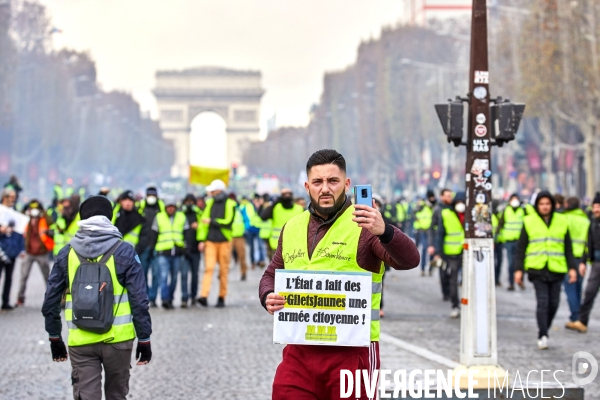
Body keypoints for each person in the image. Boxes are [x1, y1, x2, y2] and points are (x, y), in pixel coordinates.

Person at [259, 149, 420, 400]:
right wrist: (267, 295)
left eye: (332, 181)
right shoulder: (291, 227)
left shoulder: (366, 226)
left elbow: (409, 260)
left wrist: (385, 230)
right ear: (307, 186)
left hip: (352, 352)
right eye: (318, 182)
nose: (325, 188)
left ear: (346, 184)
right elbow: (271, 273)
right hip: (298, 352)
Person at [41, 195, 152, 399]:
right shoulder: (124, 251)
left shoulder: (67, 253)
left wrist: (54, 337)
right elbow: (139, 299)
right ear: (110, 217)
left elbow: (50, 301)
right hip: (118, 341)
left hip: (81, 341)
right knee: (116, 395)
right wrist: (144, 337)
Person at [514, 190, 577, 349]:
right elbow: (521, 247)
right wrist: (518, 269)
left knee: (554, 303)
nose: (545, 207)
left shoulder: (562, 221)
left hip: (556, 268)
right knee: (543, 302)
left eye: (547, 204)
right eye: (541, 204)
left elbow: (568, 247)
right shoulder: (529, 221)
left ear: (552, 205)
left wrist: (572, 268)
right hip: (537, 268)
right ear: (537, 205)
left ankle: (545, 328)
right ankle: (542, 334)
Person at [197, 180, 236, 307]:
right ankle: (204, 295)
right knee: (209, 268)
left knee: (223, 271)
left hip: (224, 241)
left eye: (213, 191)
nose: (211, 193)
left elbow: (228, 221)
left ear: (219, 190)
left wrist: (212, 221)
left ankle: (222, 296)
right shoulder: (210, 203)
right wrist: (202, 240)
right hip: (210, 241)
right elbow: (203, 223)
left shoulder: (230, 204)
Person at [568, 193, 600, 333]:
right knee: (589, 292)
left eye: (598, 206)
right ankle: (582, 321)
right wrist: (583, 262)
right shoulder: (592, 221)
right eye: (594, 206)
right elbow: (589, 244)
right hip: (596, 264)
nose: (596, 209)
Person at [148, 198, 187, 309]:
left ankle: (170, 298)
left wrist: (185, 249)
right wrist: (151, 249)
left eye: (172, 207)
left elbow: (186, 233)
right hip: (163, 252)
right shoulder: (159, 217)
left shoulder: (181, 217)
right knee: (163, 276)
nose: (170, 209)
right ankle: (165, 298)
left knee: (174, 278)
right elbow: (153, 234)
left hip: (177, 252)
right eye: (168, 207)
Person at [433, 192, 466, 318]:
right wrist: (438, 252)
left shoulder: (471, 215)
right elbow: (440, 234)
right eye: (458, 203)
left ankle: (468, 304)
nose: (460, 205)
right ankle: (455, 305)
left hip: (467, 252)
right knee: (453, 280)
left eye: (462, 202)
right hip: (451, 253)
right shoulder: (446, 214)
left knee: (468, 280)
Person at [17, 200, 54, 307]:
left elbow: (52, 224)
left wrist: (44, 211)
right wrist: (25, 208)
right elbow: (19, 218)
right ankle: (20, 297)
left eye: (36, 208)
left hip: (42, 252)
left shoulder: (44, 219)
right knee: (23, 276)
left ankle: (51, 297)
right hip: (29, 252)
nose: (34, 211)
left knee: (47, 276)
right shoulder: (26, 219)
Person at [562, 197, 590, 329]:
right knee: (578, 288)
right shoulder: (585, 220)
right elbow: (588, 242)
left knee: (570, 289)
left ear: (567, 204)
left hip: (568, 258)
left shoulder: (564, 219)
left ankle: (575, 317)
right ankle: (579, 315)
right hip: (581, 259)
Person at [136, 187, 165, 293]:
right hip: (143, 245)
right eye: (150, 195)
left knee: (156, 273)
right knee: (143, 273)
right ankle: (145, 295)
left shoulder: (161, 207)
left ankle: (152, 296)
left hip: (158, 245)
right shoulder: (140, 207)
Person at [0, 188, 24, 310]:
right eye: (11, 196)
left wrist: (21, 249)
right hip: (1, 248)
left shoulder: (14, 212)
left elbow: (19, 232)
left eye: (15, 196)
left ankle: (5, 302)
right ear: (5, 197)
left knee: (9, 278)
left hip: (11, 249)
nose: (14, 199)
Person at [428, 188, 453, 301]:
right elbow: (431, 228)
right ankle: (445, 292)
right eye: (447, 196)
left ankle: (452, 292)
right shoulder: (438, 209)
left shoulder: (454, 209)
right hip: (440, 245)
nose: (449, 198)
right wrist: (431, 244)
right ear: (442, 196)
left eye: (450, 196)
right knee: (443, 271)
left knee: (452, 271)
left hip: (452, 245)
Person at [498, 193, 525, 291]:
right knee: (510, 263)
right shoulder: (506, 210)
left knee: (520, 262)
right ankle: (511, 283)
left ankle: (520, 280)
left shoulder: (523, 211)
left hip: (520, 241)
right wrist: (496, 235)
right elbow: (501, 223)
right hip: (509, 241)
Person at [181, 194, 202, 305]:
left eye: (191, 201)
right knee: (184, 275)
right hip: (184, 249)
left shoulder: (199, 214)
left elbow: (204, 228)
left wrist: (199, 226)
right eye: (187, 201)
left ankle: (193, 296)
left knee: (195, 275)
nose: (189, 203)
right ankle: (184, 298)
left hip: (195, 248)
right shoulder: (181, 214)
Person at [413, 193, 434, 277]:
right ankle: (422, 269)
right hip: (422, 230)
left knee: (432, 250)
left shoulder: (432, 207)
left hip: (430, 231)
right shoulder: (421, 206)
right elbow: (413, 212)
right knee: (424, 249)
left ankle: (431, 269)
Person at [231, 196, 249, 281]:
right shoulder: (227, 210)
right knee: (225, 256)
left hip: (239, 236)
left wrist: (245, 230)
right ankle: (222, 273)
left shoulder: (240, 210)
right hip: (229, 236)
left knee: (242, 256)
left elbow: (246, 220)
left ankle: (243, 272)